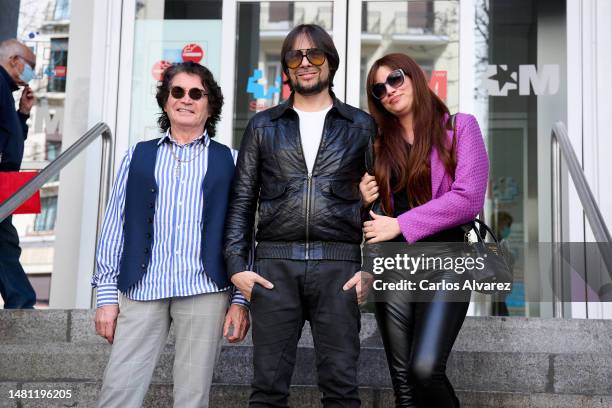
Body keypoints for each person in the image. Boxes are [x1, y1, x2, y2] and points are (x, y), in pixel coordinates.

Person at [224, 24, 376, 408]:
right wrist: (236, 267)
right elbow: (241, 201)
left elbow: (382, 205)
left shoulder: (361, 126)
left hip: (338, 267)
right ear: (287, 68)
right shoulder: (263, 125)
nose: (305, 63)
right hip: (274, 267)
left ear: (331, 61)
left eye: (315, 55)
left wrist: (372, 267)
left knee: (342, 391)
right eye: (295, 56)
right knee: (267, 391)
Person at [92, 62, 249, 408]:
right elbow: (115, 223)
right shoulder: (137, 155)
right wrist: (105, 296)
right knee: (118, 390)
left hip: (205, 288)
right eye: (177, 92)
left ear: (211, 105)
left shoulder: (232, 160)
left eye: (197, 93)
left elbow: (243, 233)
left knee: (192, 398)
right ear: (165, 101)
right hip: (143, 286)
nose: (186, 100)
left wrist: (240, 301)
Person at [359, 53, 489, 407]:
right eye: (378, 88)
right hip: (394, 265)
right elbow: (370, 221)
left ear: (415, 77)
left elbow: (468, 199)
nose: (388, 90)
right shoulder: (377, 146)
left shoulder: (460, 128)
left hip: (448, 261)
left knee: (425, 369)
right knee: (404, 388)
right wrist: (361, 201)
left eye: (395, 79)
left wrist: (401, 224)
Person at [0, 39, 36, 309]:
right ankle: (21, 301)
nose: (32, 72)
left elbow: (10, 138)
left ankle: (21, 300)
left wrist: (22, 114)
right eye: (30, 66)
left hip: (4, 181)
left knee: (4, 242)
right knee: (5, 243)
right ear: (14, 60)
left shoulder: (4, 88)